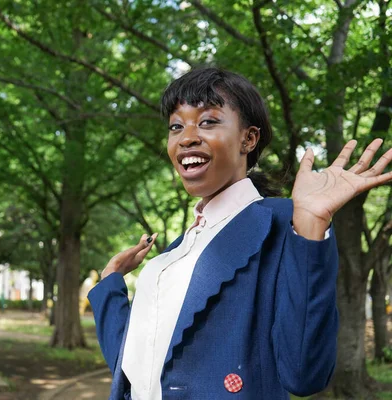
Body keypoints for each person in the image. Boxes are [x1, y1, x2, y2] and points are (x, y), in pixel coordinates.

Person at [88, 67, 392, 400]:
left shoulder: (284, 223)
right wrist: (110, 283)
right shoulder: (172, 255)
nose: (186, 136)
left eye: (208, 122)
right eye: (176, 126)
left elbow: (304, 374)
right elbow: (133, 367)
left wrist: (310, 223)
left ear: (248, 138)